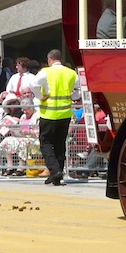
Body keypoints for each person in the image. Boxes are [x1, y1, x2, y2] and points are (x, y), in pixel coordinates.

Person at [32, 49, 78, 186]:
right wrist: (74, 97)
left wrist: (41, 96)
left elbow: (34, 85)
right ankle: (57, 177)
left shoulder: (45, 72)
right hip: (65, 114)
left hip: (48, 114)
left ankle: (55, 170)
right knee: (60, 144)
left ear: (49, 59)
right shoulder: (71, 73)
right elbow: (80, 88)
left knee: (45, 142)